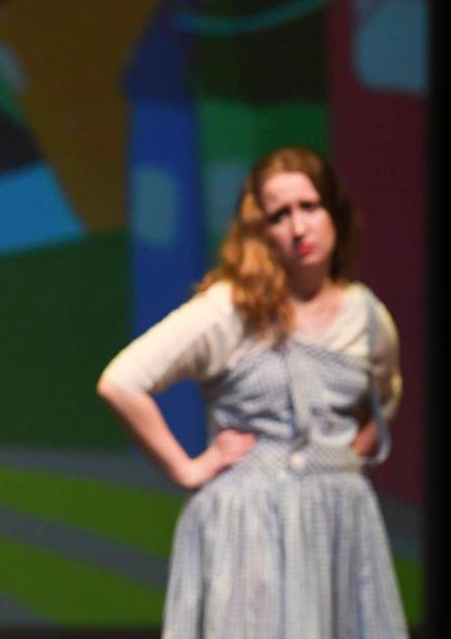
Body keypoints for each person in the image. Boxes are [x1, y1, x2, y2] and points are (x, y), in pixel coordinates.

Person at [97, 146, 407, 637]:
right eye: (280, 215)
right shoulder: (231, 309)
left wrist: (346, 455)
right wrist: (187, 467)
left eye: (310, 207)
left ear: (334, 212)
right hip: (251, 527)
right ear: (261, 230)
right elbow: (121, 381)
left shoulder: (364, 314)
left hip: (339, 521)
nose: (298, 227)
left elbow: (386, 393)